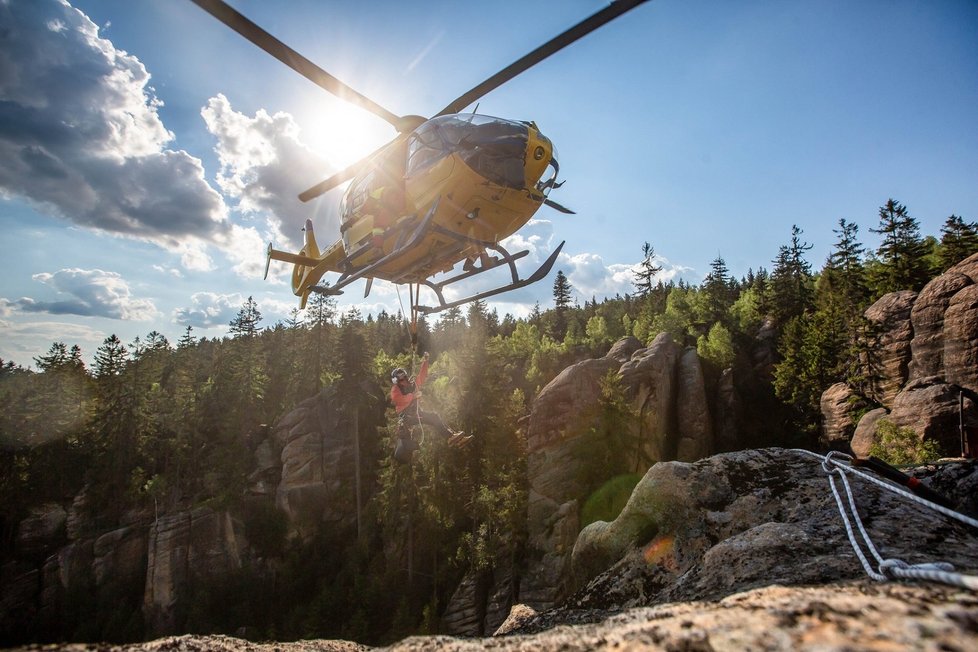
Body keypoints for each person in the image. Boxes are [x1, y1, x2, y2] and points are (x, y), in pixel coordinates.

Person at [391, 352, 470, 463]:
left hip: (416, 413)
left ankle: (455, 438)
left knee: (435, 416)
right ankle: (451, 437)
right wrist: (413, 396)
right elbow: (397, 399)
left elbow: (422, 376)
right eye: (401, 379)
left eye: (404, 377)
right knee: (433, 418)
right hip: (407, 417)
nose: (404, 380)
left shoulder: (413, 385)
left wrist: (426, 361)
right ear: (397, 381)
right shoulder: (396, 389)